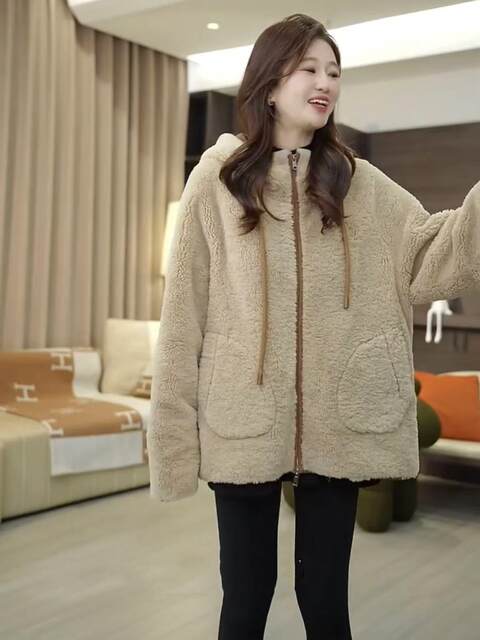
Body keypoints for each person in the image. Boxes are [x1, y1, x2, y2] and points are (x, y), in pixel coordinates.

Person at [147, 13, 480, 640]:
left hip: (336, 422)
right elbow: (181, 321)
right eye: (309, 69)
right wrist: (172, 446)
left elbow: (432, 255)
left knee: (326, 604)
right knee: (245, 601)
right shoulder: (216, 183)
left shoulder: (361, 184)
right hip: (241, 421)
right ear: (270, 83)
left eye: (333, 71)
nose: (325, 82)